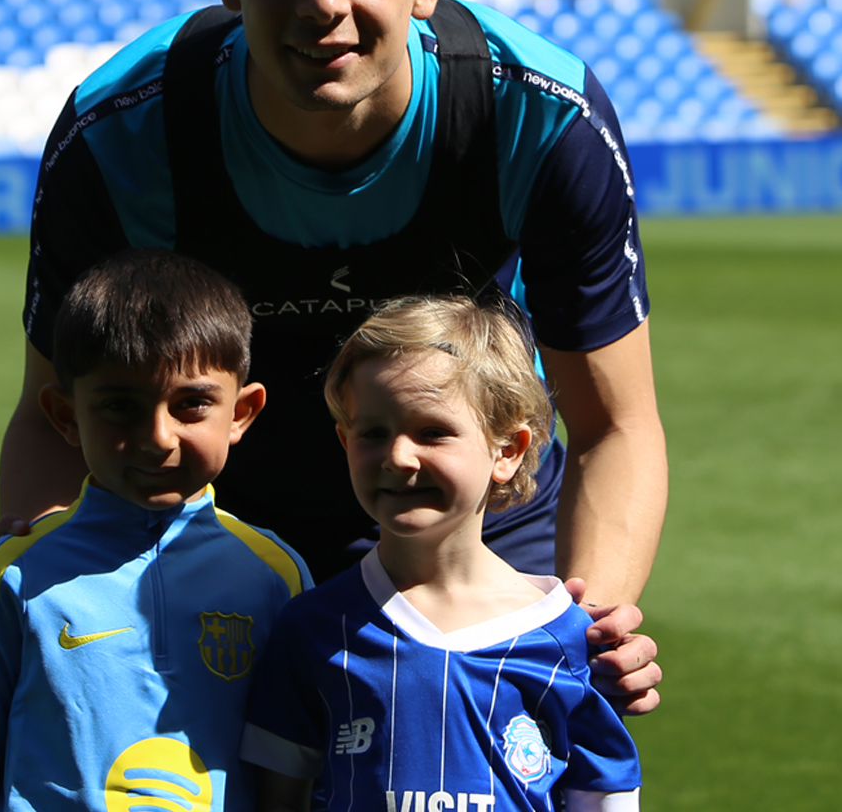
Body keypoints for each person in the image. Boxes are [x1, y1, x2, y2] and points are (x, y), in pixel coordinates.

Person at [0, 0, 665, 711]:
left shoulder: (537, 117)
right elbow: (57, 411)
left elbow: (615, 425)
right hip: (220, 535)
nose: (319, 6)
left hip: (473, 520)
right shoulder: (123, 131)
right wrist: (39, 575)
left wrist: (583, 627)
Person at [0, 248, 311, 812]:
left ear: (242, 413)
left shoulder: (276, 575)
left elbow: (301, 771)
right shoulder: (11, 574)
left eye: (192, 405)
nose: (158, 437)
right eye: (121, 407)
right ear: (66, 417)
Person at [241, 296, 641, 812]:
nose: (398, 456)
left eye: (432, 432)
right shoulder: (311, 628)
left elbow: (601, 794)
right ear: (345, 442)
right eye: (373, 433)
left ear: (508, 450)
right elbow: (277, 797)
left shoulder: (566, 639)